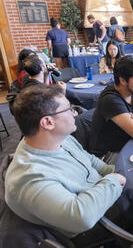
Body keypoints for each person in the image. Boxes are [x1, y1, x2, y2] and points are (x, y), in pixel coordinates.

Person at [5, 84, 126, 242]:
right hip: (92, 225)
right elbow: (81, 217)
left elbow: (87, 159)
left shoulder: (58, 139)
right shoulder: (30, 177)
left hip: (100, 193)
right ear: (48, 122)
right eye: (69, 109)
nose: (75, 113)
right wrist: (114, 180)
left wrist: (112, 172)